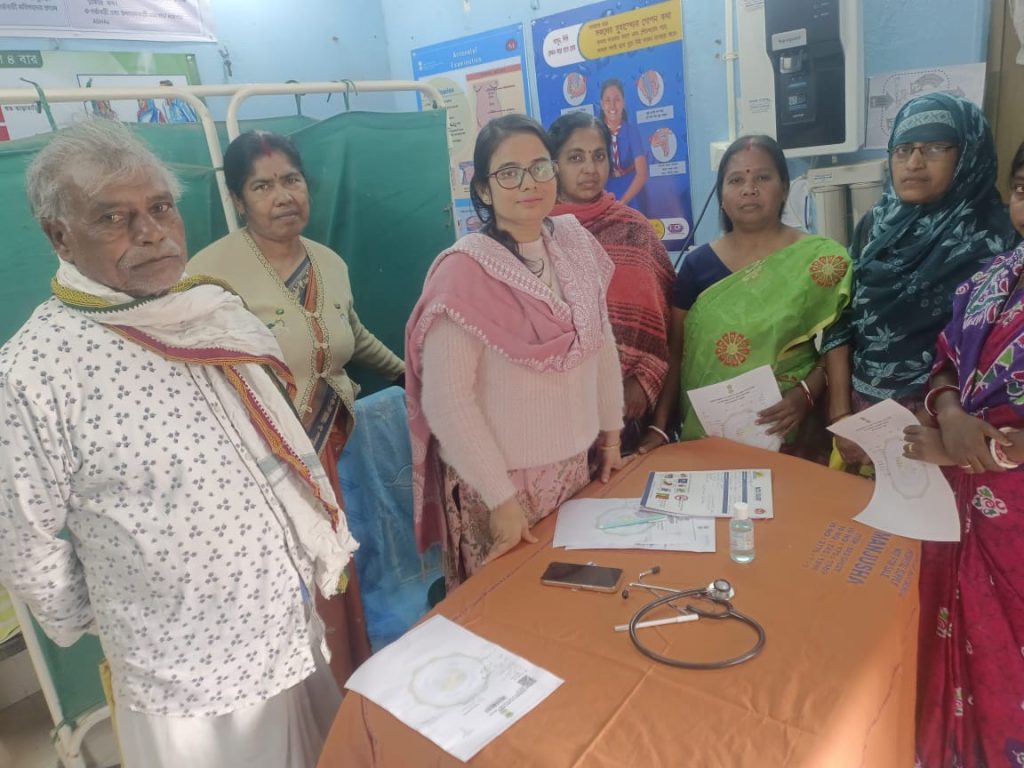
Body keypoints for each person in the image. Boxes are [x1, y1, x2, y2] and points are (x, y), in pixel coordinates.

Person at [0, 119, 355, 768]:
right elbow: (26, 544)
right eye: (113, 218)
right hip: (185, 673)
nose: (151, 232)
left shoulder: (207, 311)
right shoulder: (35, 372)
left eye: (160, 207)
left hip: (282, 626)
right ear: (59, 236)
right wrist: (130, 615)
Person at [190, 130, 404, 684]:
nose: (283, 196)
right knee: (301, 593)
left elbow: (350, 333)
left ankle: (360, 683)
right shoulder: (208, 275)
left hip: (340, 450)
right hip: (270, 469)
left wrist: (407, 374)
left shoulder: (328, 262)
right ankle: (317, 703)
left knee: (348, 575)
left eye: (292, 180)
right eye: (262, 186)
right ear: (238, 200)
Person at [406, 114, 626, 587]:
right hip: (502, 485)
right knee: (511, 609)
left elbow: (601, 344)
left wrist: (611, 434)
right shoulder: (463, 273)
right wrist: (500, 499)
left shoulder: (575, 244)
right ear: (483, 190)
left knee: (574, 602)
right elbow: (448, 402)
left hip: (577, 469)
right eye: (509, 173)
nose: (529, 183)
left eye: (540, 167)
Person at [902, 141, 1024, 766]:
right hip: (954, 508)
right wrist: (950, 418)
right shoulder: (991, 279)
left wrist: (973, 454)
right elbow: (946, 360)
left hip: (1014, 525)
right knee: (940, 637)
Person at [822, 94, 1018, 471]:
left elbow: (994, 350)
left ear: (968, 154)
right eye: (903, 149)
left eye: (935, 148)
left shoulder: (1001, 236)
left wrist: (931, 420)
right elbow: (842, 320)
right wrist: (842, 416)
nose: (913, 163)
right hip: (860, 419)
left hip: (951, 428)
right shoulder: (876, 225)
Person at [640, 135, 851, 459]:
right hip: (709, 432)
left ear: (784, 188)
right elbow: (677, 352)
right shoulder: (697, 266)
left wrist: (806, 393)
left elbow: (838, 345)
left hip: (790, 427)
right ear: (721, 196)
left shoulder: (819, 261)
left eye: (762, 178)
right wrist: (659, 426)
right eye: (736, 180)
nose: (749, 189)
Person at [548, 111, 675, 453]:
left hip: (624, 410)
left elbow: (667, 319)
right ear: (554, 165)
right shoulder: (536, 233)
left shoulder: (635, 230)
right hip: (551, 411)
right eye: (576, 157)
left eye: (599, 156)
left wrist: (643, 379)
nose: (590, 168)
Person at [599, 78, 648, 209]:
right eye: (607, 100)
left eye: (617, 99)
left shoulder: (632, 131)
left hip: (632, 193)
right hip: (605, 194)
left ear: (623, 103)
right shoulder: (596, 133)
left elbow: (642, 174)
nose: (612, 106)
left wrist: (622, 203)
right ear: (602, 104)